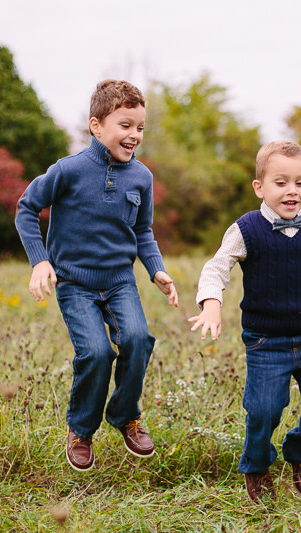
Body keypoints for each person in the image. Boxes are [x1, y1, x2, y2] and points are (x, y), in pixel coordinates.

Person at [15, 79, 178, 472]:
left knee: (137, 340)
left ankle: (125, 416)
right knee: (97, 353)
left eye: (140, 127)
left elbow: (142, 231)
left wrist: (156, 269)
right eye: (125, 125)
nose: (134, 135)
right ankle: (81, 430)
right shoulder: (67, 170)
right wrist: (40, 260)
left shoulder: (141, 177)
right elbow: (26, 208)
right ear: (96, 126)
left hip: (120, 281)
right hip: (76, 284)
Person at [188, 140, 301, 501]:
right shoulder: (247, 229)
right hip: (265, 341)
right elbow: (216, 268)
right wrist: (211, 304)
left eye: (300, 182)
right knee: (264, 409)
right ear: (260, 187)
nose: (292, 191)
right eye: (281, 182)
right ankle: (257, 465)